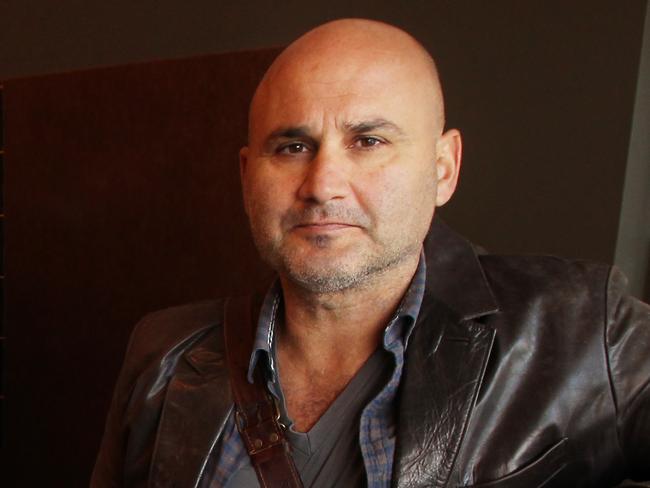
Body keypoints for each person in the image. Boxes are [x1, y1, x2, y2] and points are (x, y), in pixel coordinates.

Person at [91, 18, 650, 488]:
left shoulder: (582, 330)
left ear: (443, 168)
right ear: (246, 177)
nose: (322, 184)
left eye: (369, 141)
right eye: (292, 147)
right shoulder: (163, 354)